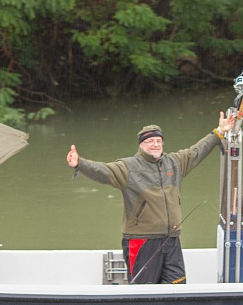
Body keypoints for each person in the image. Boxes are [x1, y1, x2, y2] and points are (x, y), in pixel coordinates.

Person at [66, 112, 233, 284]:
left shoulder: (174, 163)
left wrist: (219, 132)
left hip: (172, 239)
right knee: (143, 292)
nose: (155, 144)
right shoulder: (128, 167)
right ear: (141, 145)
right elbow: (103, 171)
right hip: (142, 242)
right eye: (149, 141)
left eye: (158, 141)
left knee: (177, 288)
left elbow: (196, 151)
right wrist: (80, 163)